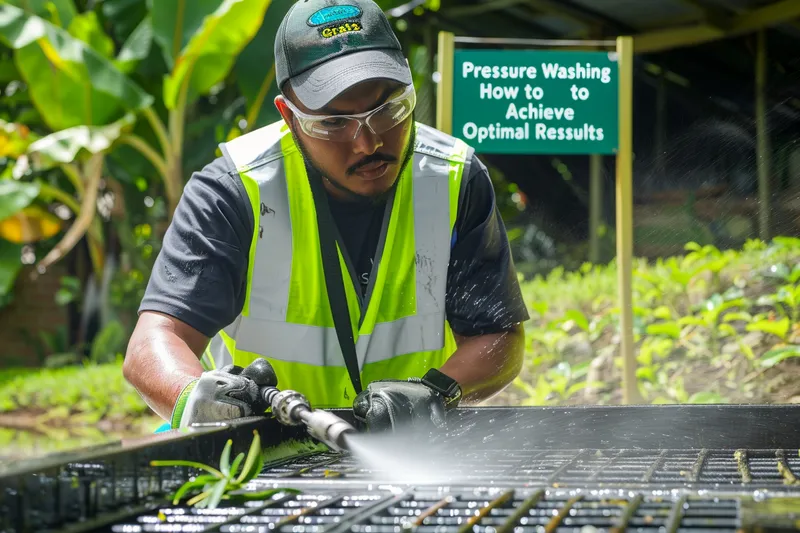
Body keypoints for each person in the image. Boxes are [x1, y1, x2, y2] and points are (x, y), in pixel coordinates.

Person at [123, 0, 529, 433]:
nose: (368, 142)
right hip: (263, 463)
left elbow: (497, 336)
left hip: (410, 453)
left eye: (389, 109)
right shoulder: (233, 191)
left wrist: (437, 393)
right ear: (289, 116)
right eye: (335, 122)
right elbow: (154, 342)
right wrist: (192, 397)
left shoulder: (454, 178)